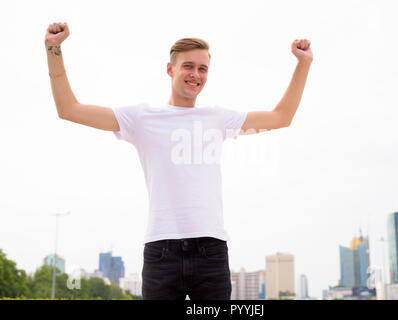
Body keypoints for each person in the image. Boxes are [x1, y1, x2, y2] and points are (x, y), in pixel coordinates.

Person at [45, 22, 313, 300]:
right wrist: (53, 48)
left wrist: (303, 63)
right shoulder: (140, 117)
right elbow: (69, 109)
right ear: (170, 69)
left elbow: (282, 116)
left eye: (203, 68)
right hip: (161, 251)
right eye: (188, 66)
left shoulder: (219, 119)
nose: (195, 74)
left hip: (211, 250)